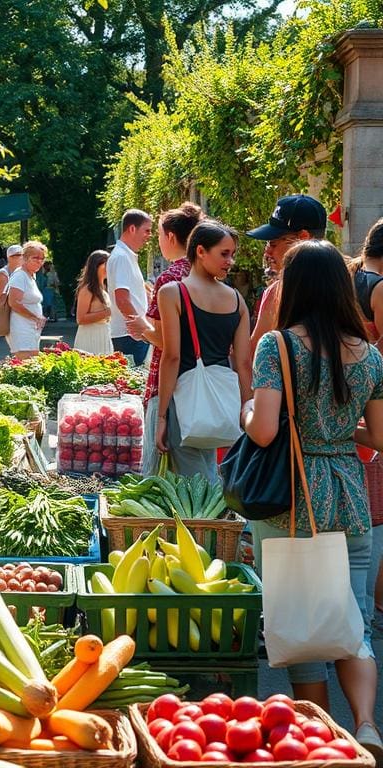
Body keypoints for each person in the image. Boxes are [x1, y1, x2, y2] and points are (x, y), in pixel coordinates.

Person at [243, 240, 382, 761]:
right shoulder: (368, 354)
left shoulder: (277, 346)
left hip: (292, 501)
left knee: (302, 624)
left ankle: (323, 738)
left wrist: (248, 417)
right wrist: (336, 428)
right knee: (352, 623)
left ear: (293, 288)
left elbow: (261, 432)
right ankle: (366, 723)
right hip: (348, 492)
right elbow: (380, 436)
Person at [154, 220, 252, 480]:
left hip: (185, 398)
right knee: (209, 472)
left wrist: (161, 416)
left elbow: (172, 356)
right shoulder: (237, 300)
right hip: (222, 400)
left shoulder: (172, 293)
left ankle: (213, 523)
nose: (230, 261)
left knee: (194, 487)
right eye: (224, 253)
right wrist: (246, 408)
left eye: (231, 254)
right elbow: (243, 363)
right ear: (200, 251)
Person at [126, 202, 205, 476]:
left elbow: (165, 341)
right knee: (199, 471)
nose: (157, 241)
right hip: (203, 380)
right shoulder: (208, 276)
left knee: (161, 471)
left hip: (169, 382)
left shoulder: (170, 277)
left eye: (158, 234)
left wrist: (141, 327)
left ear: (171, 236)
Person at [351, 218, 383, 637]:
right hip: (372, 396)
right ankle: (372, 603)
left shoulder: (350, 274)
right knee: (376, 508)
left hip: (347, 400)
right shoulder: (379, 286)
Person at [246, 194, 326, 356]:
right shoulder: (349, 280)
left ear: (303, 238)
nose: (267, 251)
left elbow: (255, 354)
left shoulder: (280, 292)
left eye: (273, 243)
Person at [108, 209, 153, 365]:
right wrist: (142, 329)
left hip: (130, 334)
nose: (149, 236)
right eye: (146, 231)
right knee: (134, 384)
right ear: (132, 228)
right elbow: (122, 299)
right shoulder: (121, 257)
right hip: (131, 336)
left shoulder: (124, 255)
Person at [6, 241, 48, 359]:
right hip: (21, 326)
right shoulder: (20, 275)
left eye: (42, 258)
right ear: (25, 258)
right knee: (24, 363)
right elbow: (13, 303)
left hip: (31, 327)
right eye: (35, 258)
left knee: (32, 362)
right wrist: (35, 317)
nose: (39, 261)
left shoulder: (30, 276)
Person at [73, 249, 113, 353]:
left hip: (103, 334)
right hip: (90, 337)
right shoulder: (87, 289)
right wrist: (108, 312)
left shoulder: (104, 287)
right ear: (97, 266)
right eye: (107, 264)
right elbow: (80, 319)